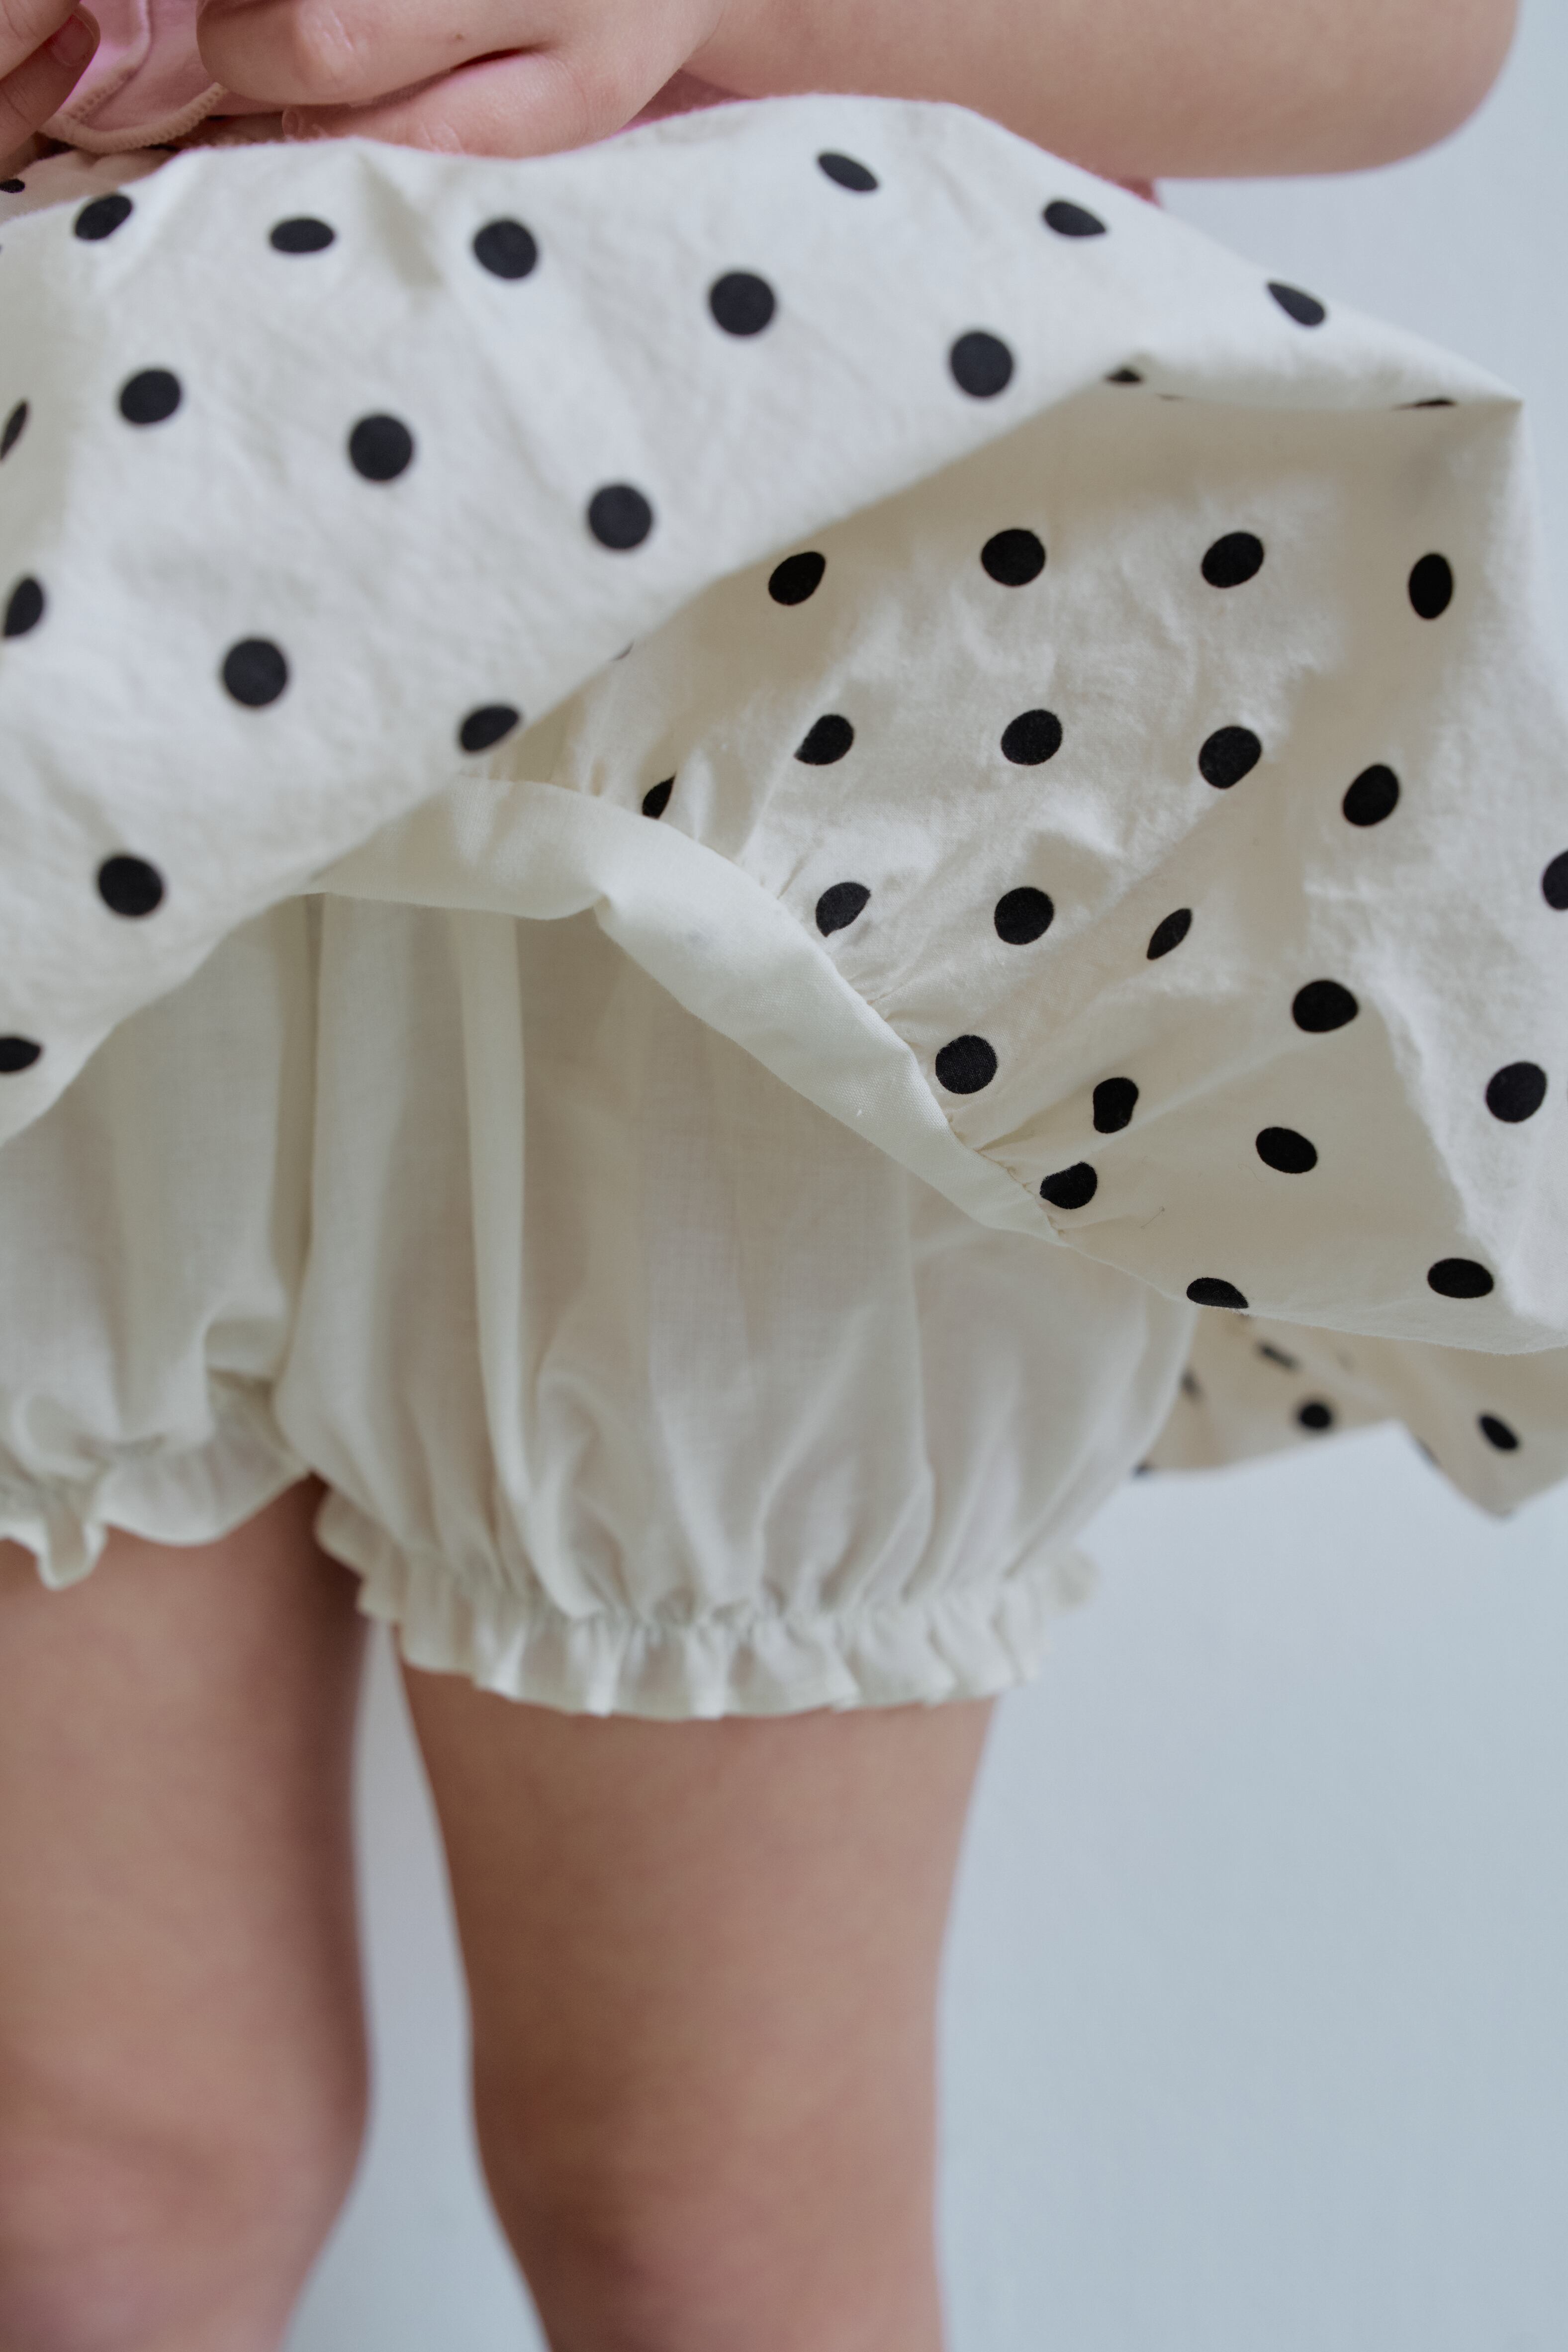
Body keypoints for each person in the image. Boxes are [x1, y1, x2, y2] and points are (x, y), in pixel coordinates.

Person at [0, 4, 1537, 2349]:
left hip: (806, 664)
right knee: (85, 2196)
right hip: (60, 595)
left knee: (707, 2230)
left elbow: (1409, 38)